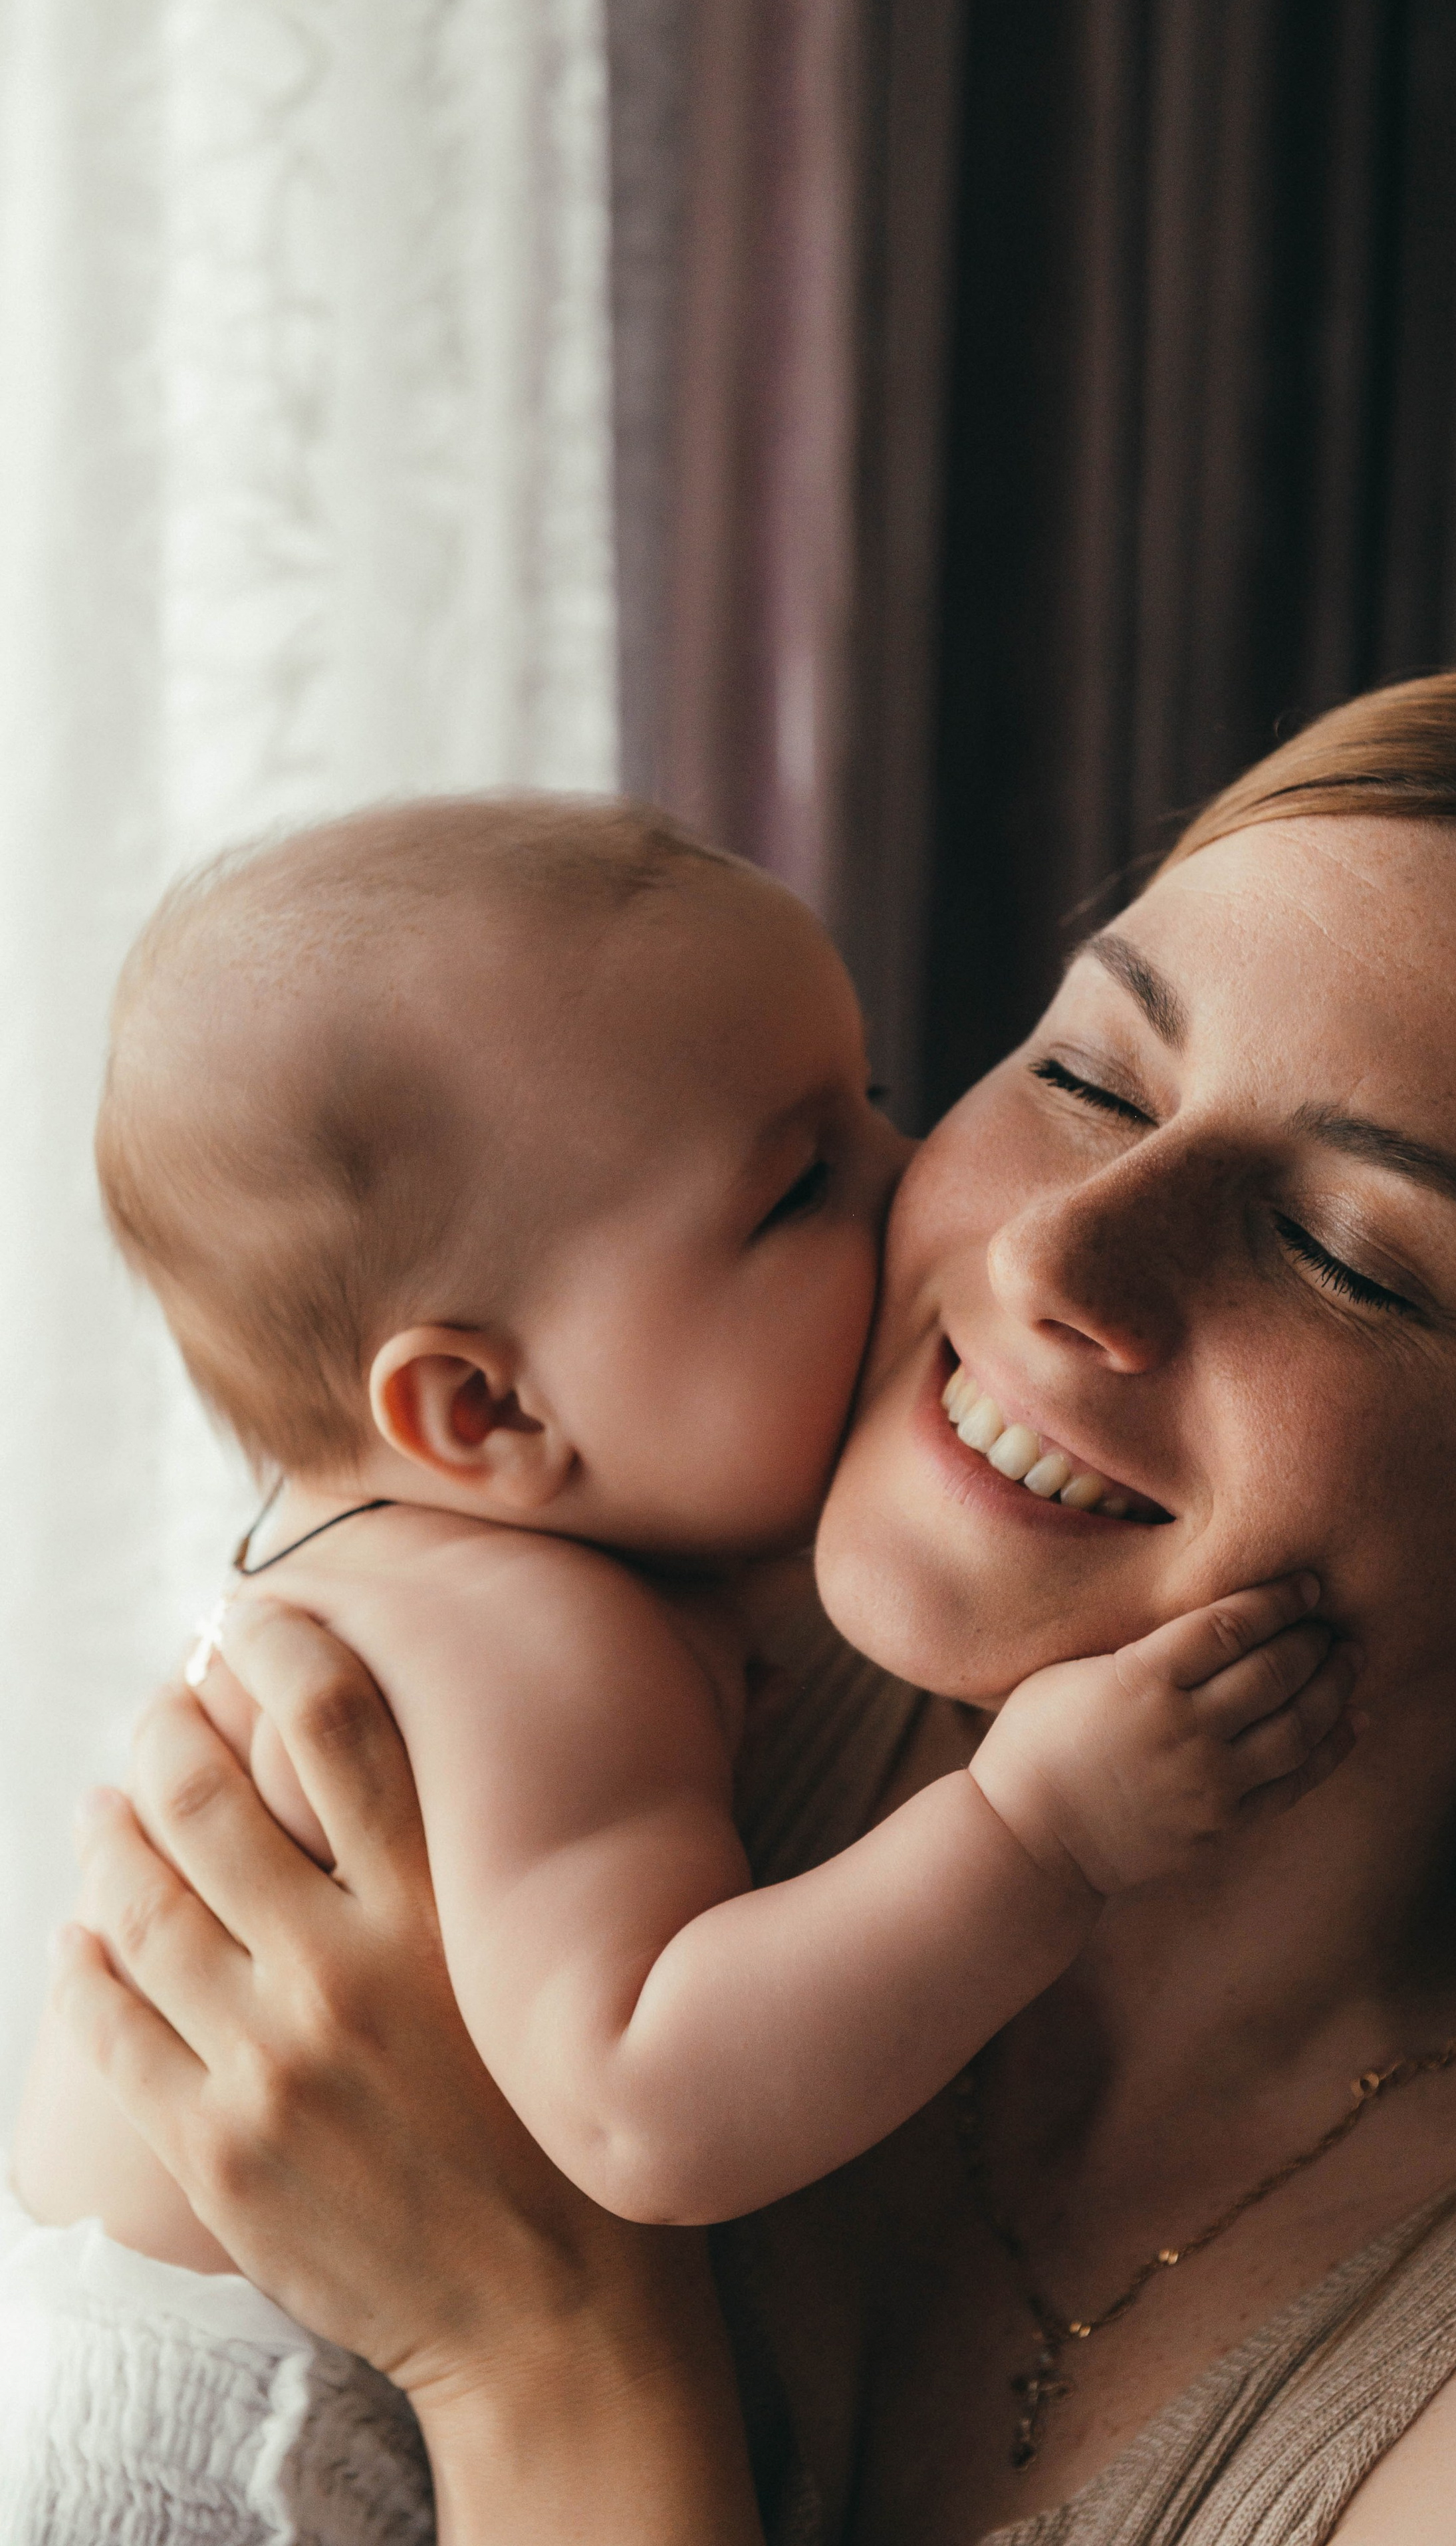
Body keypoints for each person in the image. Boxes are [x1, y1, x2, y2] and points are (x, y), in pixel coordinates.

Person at [23, 664, 1456, 2544]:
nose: (1053, 1252)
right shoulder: (539, 1678)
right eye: (1086, 1078)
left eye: (1343, 1253)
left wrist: (542, 2350)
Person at [14, 796, 1354, 2267]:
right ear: (484, 1411)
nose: (908, 1172)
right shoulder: (523, 1635)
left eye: (874, 1098)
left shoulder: (420, 1551)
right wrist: (1042, 1828)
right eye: (799, 1185)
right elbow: (645, 2105)